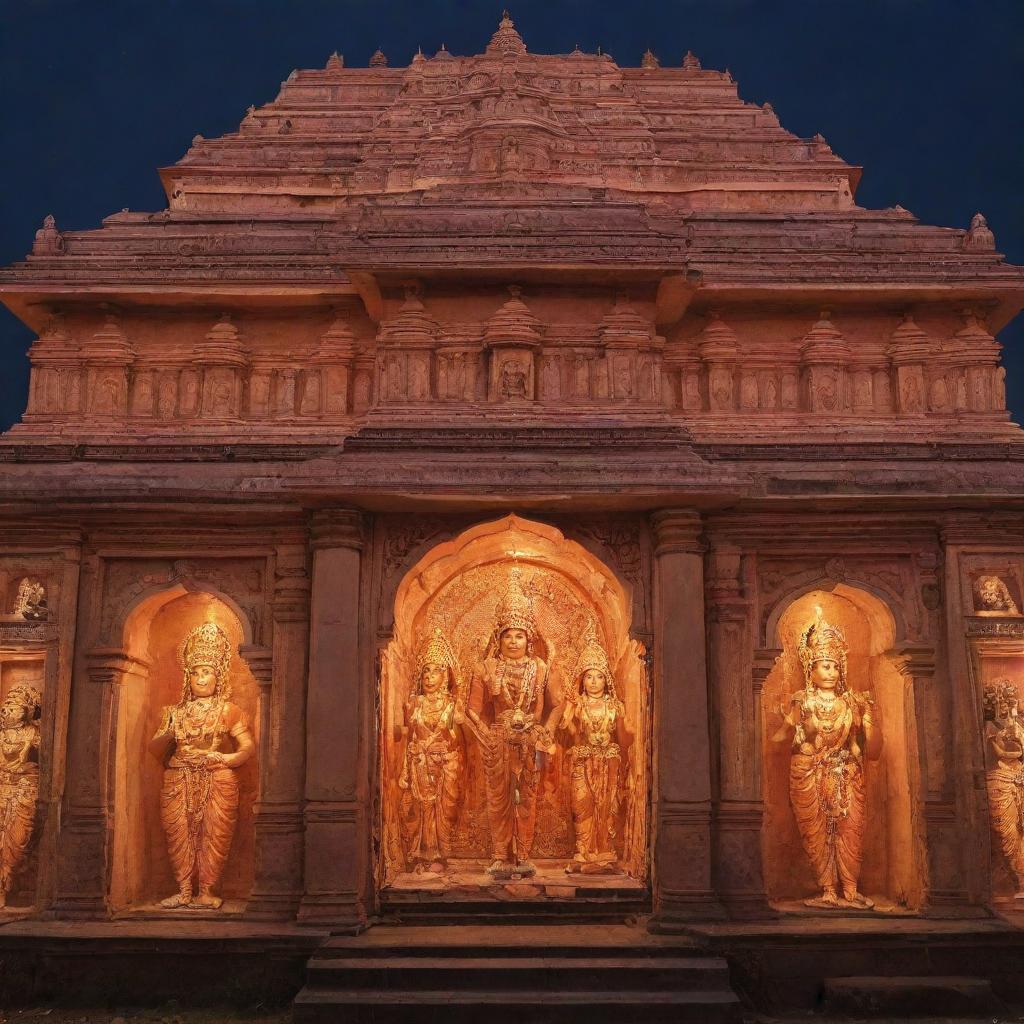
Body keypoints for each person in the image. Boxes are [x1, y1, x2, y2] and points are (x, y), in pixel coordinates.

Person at [772, 607, 882, 909]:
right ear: (811, 669)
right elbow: (780, 739)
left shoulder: (853, 702)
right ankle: (828, 889)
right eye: (823, 665)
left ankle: (850, 887)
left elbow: (872, 752)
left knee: (850, 830)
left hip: (846, 776)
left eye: (834, 666)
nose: (830, 672)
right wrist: (793, 726)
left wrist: (869, 720)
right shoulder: (802, 700)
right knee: (817, 832)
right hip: (809, 773)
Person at [150, 622, 254, 909]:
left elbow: (246, 747)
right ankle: (183, 890)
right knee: (179, 834)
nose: (200, 678)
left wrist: (227, 758)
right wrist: (171, 732)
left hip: (216, 778)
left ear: (217, 675)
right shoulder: (173, 713)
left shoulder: (228, 710)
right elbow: (155, 747)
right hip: (178, 777)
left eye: (206, 671)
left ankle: (206, 890)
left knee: (213, 834)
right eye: (195, 672)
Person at [468, 569, 557, 878]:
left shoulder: (540, 667)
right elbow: (472, 711)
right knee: (500, 799)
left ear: (528, 639)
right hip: (498, 741)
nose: (514, 641)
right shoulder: (487, 667)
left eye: (520, 635)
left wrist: (547, 729)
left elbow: (558, 706)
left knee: (527, 798)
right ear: (499, 638)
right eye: (508, 635)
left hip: (531, 740)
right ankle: (499, 854)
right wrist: (487, 734)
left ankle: (523, 854)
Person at [559, 623, 631, 874]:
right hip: (582, 759)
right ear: (582, 679)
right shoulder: (577, 703)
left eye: (599, 676)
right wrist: (568, 710)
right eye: (588, 676)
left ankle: (603, 853)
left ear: (606, 679)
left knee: (606, 807)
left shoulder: (615, 705)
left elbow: (625, 736)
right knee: (582, 804)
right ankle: (582, 852)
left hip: (609, 761)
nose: (593, 681)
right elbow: (567, 729)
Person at [397, 627, 464, 871]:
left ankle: (440, 853)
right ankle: (421, 853)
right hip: (419, 763)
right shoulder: (415, 702)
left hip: (445, 762)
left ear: (445, 677)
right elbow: (408, 738)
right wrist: (405, 768)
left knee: (444, 808)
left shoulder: (452, 703)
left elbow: (457, 736)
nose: (429, 677)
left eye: (436, 671)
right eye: (426, 671)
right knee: (421, 808)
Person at [0, 685, 41, 907]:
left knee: (16, 841)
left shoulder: (34, 733)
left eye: (14, 707)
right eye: (5, 707)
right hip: (3, 788)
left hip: (24, 790)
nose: (7, 712)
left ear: (27, 711)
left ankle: (9, 882)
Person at [983, 679, 1024, 897]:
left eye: (1011, 703)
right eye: (1003, 703)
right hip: (1000, 780)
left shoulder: (1017, 726)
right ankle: (1015, 877)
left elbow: (1018, 750)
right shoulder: (991, 728)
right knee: (1006, 835)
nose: (1007, 709)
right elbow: (1001, 753)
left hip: (1018, 777)